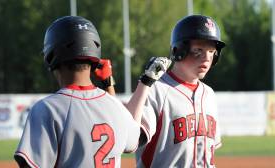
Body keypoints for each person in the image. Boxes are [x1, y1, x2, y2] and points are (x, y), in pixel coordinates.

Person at [13, 15, 171, 168]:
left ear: (51, 55)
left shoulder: (47, 109)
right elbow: (132, 140)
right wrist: (119, 83)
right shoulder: (114, 106)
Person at [126, 14, 226, 167]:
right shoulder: (156, 90)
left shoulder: (209, 94)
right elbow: (129, 138)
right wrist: (145, 83)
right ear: (179, 50)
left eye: (212, 51)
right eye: (199, 50)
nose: (207, 57)